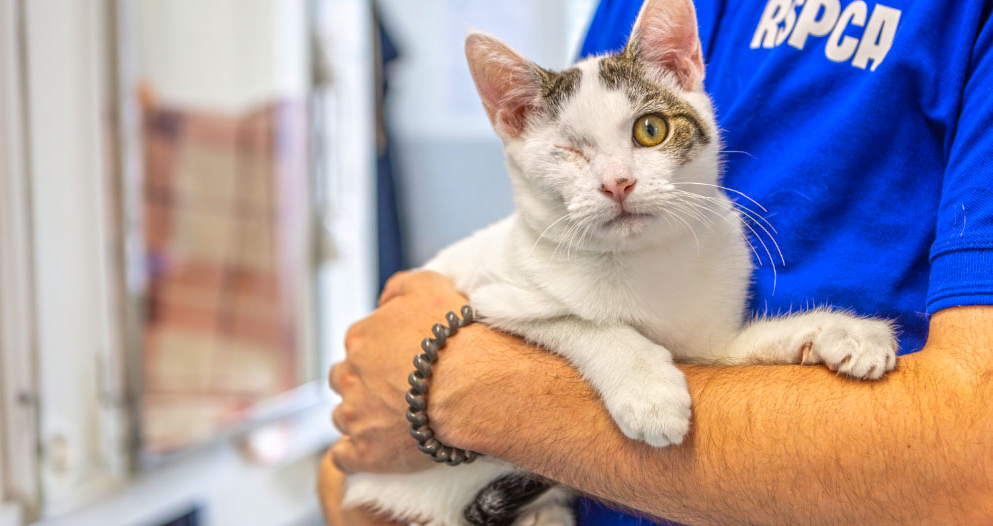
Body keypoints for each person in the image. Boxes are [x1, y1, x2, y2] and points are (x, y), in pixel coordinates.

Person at [319, 0, 993, 524]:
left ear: (685, 71)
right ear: (510, 118)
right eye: (573, 153)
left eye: (647, 131)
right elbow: (355, 459)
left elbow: (972, 473)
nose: (616, 180)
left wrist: (456, 390)